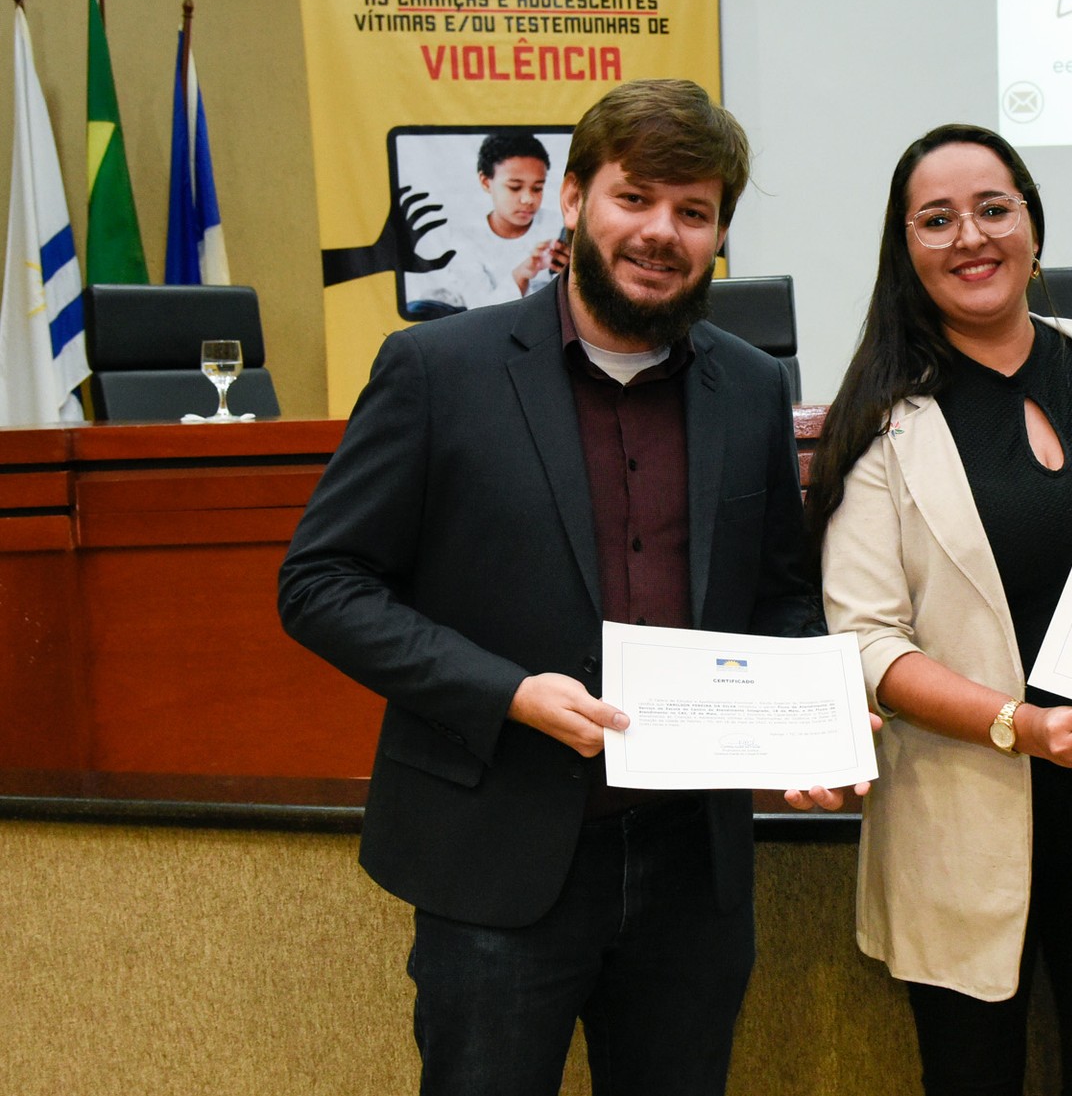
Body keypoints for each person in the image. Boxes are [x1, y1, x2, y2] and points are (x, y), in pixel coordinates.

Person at [279, 79, 843, 1096]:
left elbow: (779, 601)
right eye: (636, 198)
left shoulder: (751, 387)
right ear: (574, 198)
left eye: (694, 211)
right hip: (497, 858)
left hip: (690, 873)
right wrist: (505, 692)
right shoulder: (436, 370)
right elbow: (320, 583)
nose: (662, 232)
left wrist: (811, 719)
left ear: (718, 233)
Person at [809, 124, 1072, 1096]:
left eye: (993, 209)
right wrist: (1018, 726)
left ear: (1033, 224)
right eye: (936, 219)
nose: (970, 237)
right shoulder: (881, 423)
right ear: (904, 248)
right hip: (966, 819)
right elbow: (863, 642)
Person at [408, 131, 569, 311]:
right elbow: (479, 311)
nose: (528, 199)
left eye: (537, 188)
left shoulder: (560, 225)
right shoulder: (464, 239)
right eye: (515, 187)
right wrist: (521, 275)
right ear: (486, 182)